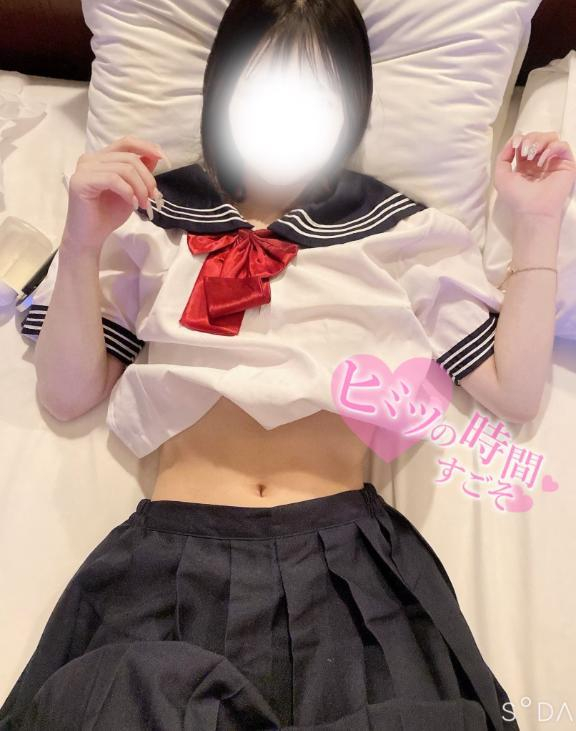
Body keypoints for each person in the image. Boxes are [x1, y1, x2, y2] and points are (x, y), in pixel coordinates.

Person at [2, 0, 574, 728]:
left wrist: (537, 223)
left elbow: (513, 390)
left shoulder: (401, 231)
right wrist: (83, 238)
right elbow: (66, 393)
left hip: (347, 557)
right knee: (122, 702)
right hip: (171, 554)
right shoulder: (150, 214)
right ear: (223, 91)